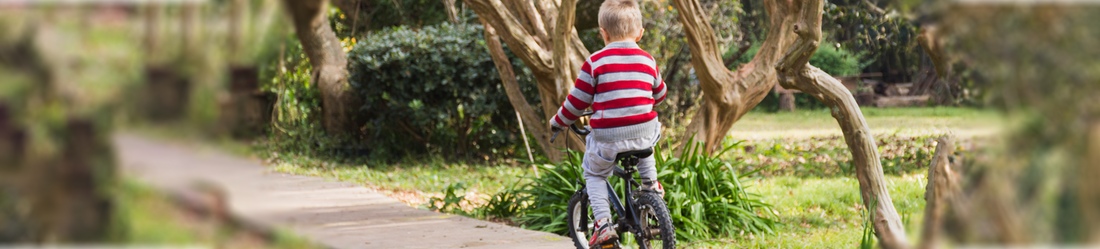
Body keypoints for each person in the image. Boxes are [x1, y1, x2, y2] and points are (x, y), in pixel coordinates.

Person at [547, 0, 666, 246]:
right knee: (646, 138)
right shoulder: (648, 61)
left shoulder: (595, 62)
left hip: (608, 137)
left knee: (594, 173)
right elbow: (660, 94)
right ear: (641, 32)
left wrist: (558, 122)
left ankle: (602, 224)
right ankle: (651, 186)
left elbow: (576, 103)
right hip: (643, 132)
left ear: (603, 33)